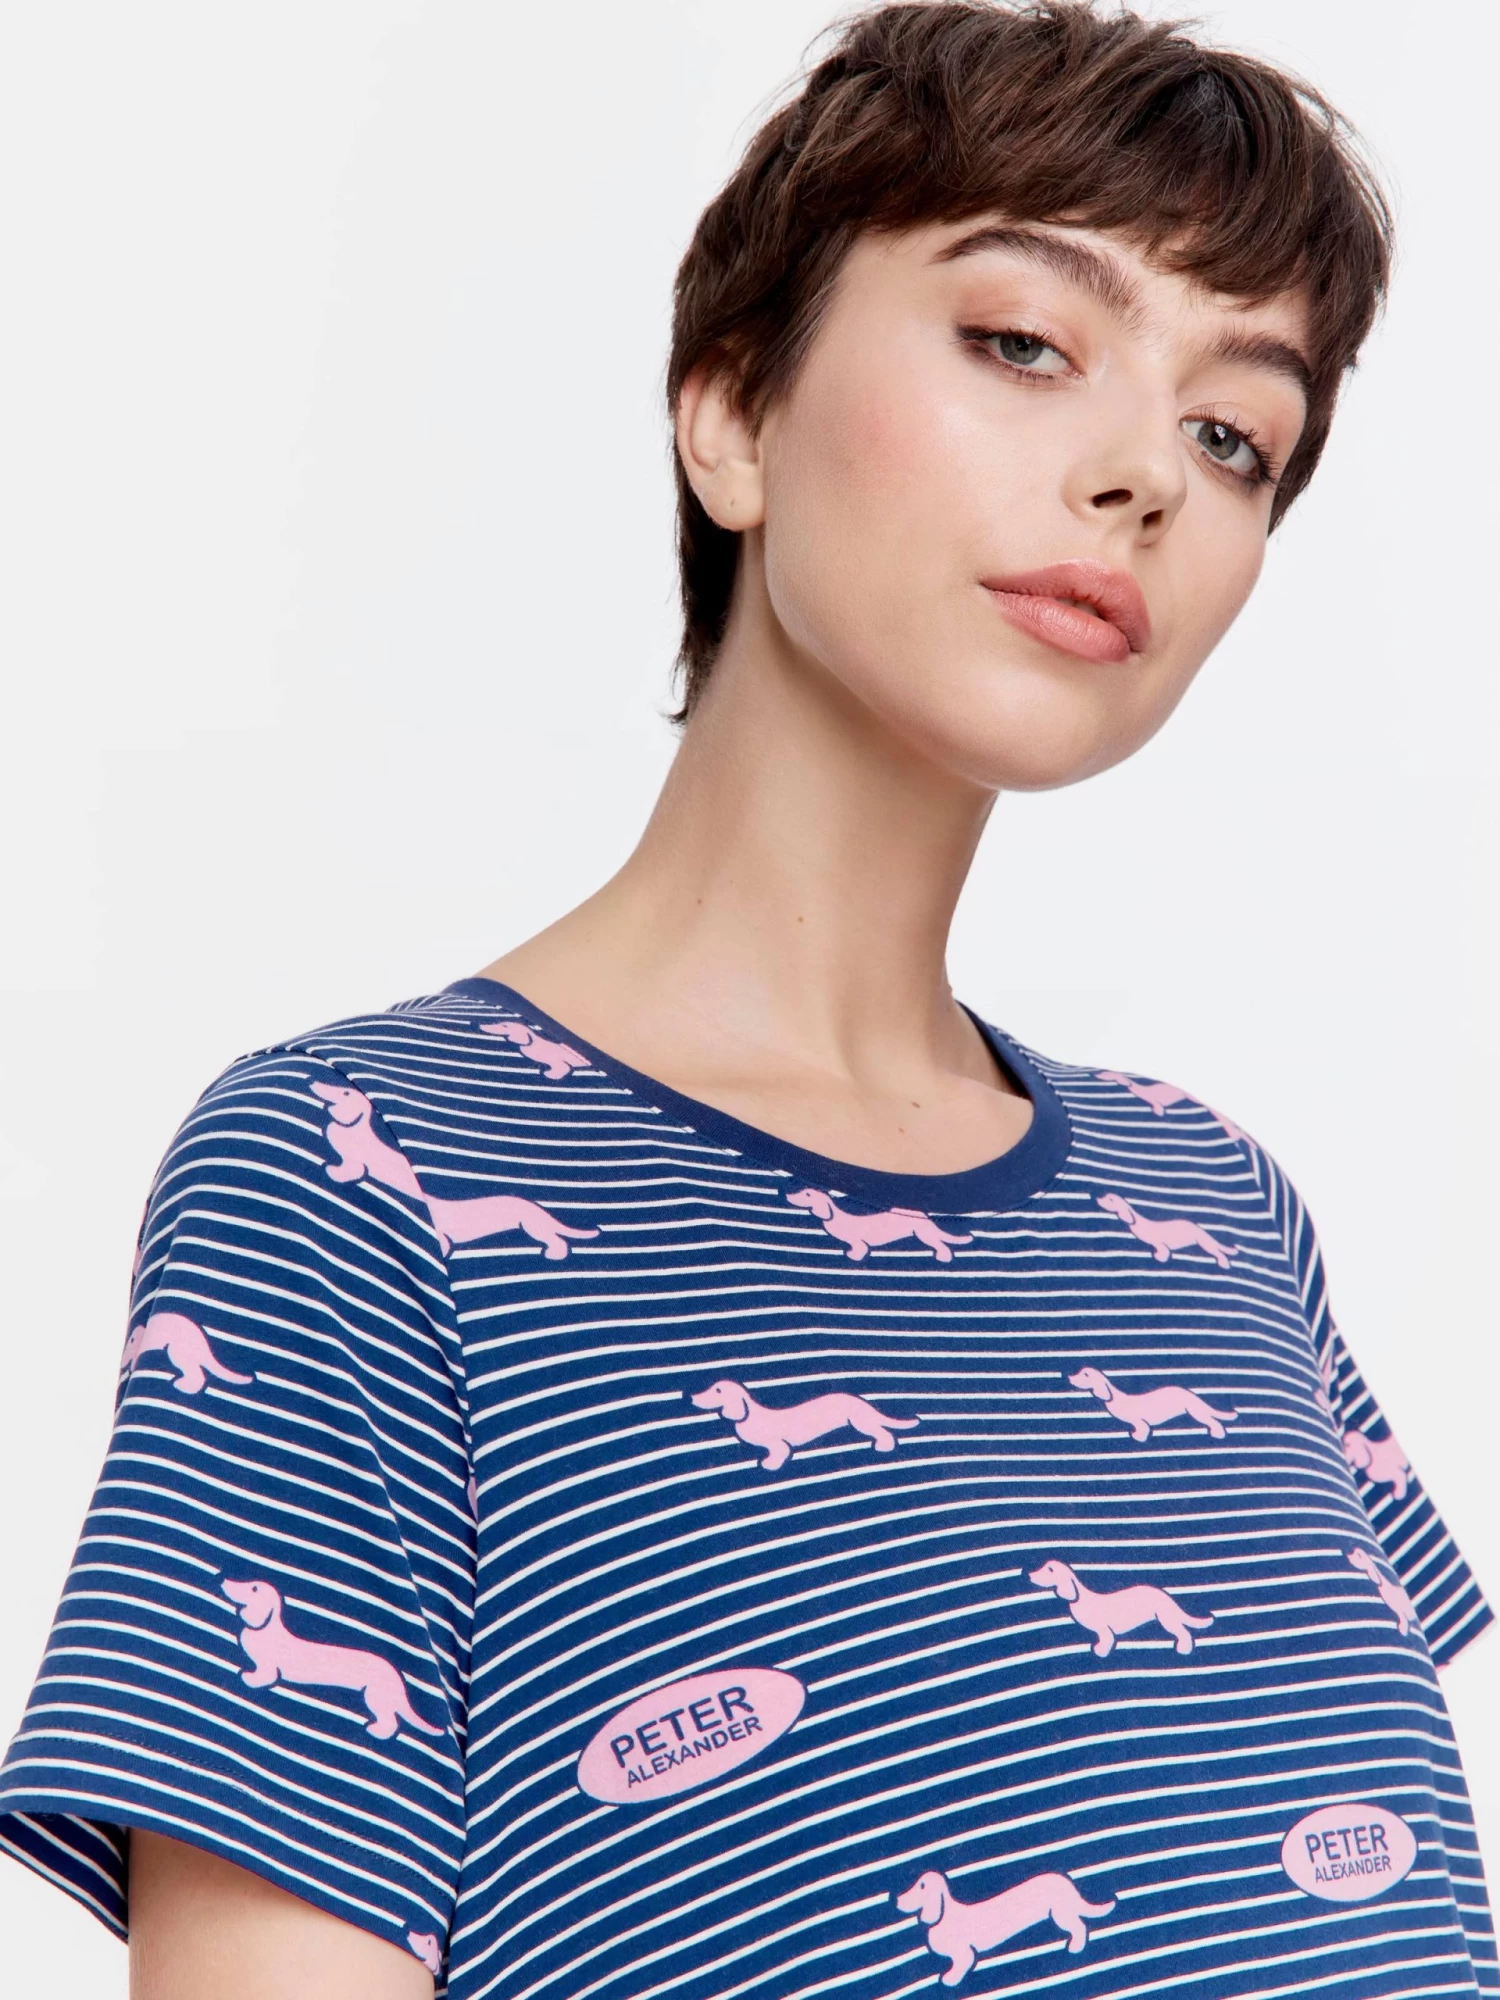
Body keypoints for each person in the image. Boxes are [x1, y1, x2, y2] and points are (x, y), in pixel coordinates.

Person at [1, 2, 1492, 1995]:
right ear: (729, 413)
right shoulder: (365, 1176)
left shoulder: (1212, 1206)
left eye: (1237, 436)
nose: (1147, 470)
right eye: (1025, 342)